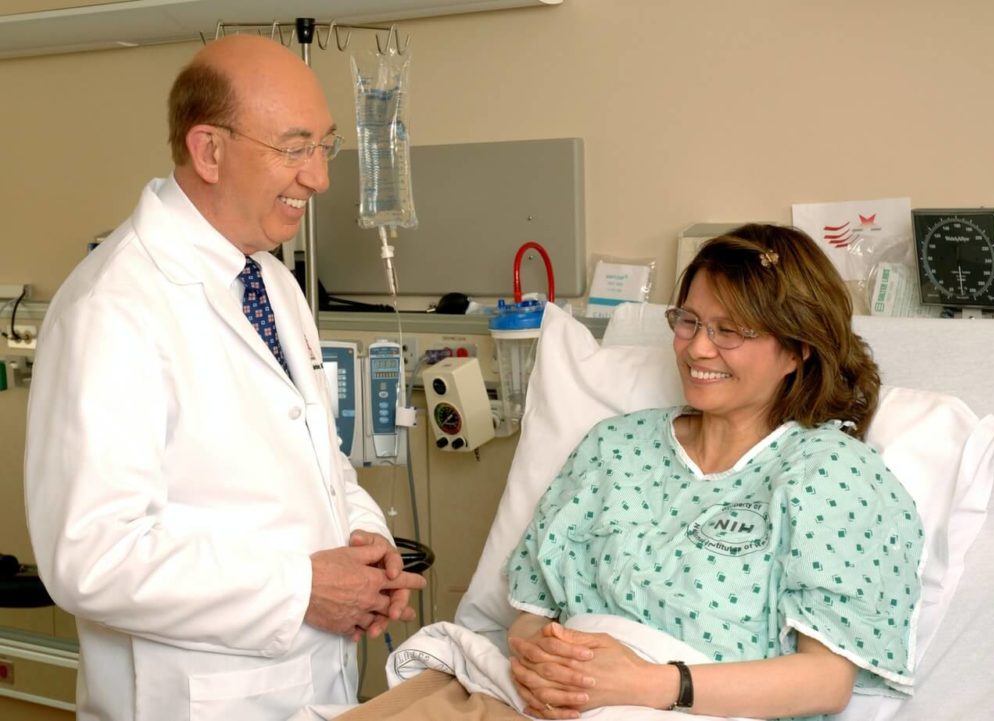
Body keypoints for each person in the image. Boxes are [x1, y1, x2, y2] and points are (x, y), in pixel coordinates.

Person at [23, 34, 425, 721]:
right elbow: (91, 555)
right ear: (209, 149)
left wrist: (367, 544)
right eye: (295, 148)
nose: (319, 178)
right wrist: (299, 585)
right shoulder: (113, 307)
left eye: (324, 146)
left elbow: (319, 463)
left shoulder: (269, 280)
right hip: (192, 699)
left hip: (308, 682)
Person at [505, 224, 925, 720]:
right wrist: (551, 670)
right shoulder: (613, 446)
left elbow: (826, 682)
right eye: (689, 322)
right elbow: (530, 616)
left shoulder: (830, 472)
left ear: (797, 349)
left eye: (730, 331)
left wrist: (652, 684)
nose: (698, 349)